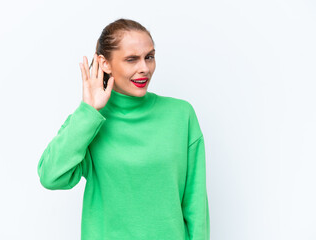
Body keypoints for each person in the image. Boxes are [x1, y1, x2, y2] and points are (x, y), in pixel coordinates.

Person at [37, 18, 210, 240]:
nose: (144, 69)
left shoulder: (180, 115)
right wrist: (88, 111)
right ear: (105, 63)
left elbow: (195, 203)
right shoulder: (89, 121)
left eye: (149, 57)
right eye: (131, 60)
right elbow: (51, 177)